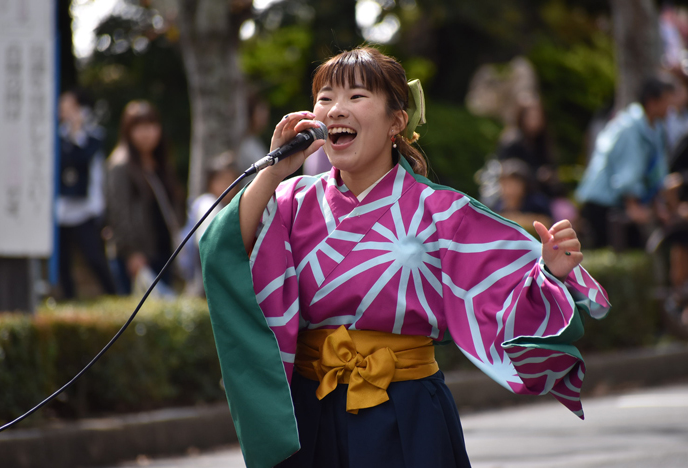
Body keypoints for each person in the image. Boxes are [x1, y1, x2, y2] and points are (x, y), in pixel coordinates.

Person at [200, 47, 610, 468]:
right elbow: (223, 247)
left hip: (408, 408)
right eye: (325, 98)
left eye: (357, 96)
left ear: (397, 121)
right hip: (313, 407)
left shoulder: (441, 209)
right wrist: (272, 171)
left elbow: (503, 293)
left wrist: (550, 272)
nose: (336, 110)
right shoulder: (289, 199)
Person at [576, 76, 674, 249]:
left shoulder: (656, 128)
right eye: (666, 100)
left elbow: (656, 170)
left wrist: (658, 203)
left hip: (622, 201)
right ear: (652, 101)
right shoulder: (630, 127)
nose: (670, 106)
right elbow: (628, 170)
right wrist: (633, 206)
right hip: (603, 202)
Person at [106, 100, 184, 295]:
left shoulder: (159, 162)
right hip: (137, 256)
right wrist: (131, 252)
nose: (147, 133)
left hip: (162, 250)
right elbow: (118, 213)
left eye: (151, 126)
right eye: (139, 127)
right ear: (128, 131)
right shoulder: (121, 165)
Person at [56, 89, 116, 299]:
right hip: (60, 209)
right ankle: (67, 298)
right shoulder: (57, 137)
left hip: (86, 208)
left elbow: (82, 159)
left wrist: (77, 130)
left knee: (94, 257)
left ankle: (112, 295)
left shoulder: (94, 135)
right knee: (62, 261)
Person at [179, 151, 241, 297]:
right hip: (204, 270)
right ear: (210, 182)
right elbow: (206, 245)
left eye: (231, 180)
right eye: (222, 180)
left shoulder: (225, 205)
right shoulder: (209, 204)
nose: (228, 186)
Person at [493, 158, 553, 232]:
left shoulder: (537, 202)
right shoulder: (496, 204)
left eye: (514, 184)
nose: (510, 189)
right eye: (505, 184)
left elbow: (547, 223)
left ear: (525, 185)